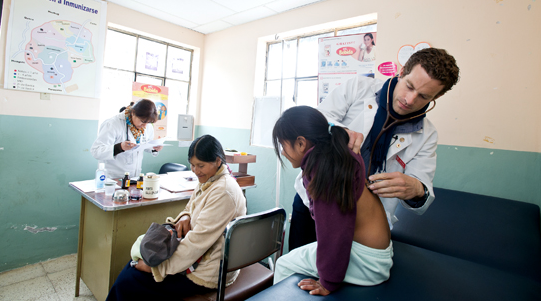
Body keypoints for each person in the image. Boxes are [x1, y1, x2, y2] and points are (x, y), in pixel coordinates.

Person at [290, 47, 460, 250]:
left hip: (365, 221)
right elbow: (318, 118)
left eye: (423, 96)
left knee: (340, 277)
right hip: (316, 198)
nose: (410, 100)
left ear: (436, 97)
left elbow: (422, 192)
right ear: (402, 71)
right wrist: (338, 129)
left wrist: (415, 189)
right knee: (296, 275)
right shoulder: (358, 88)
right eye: (409, 86)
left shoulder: (427, 135)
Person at [106, 135, 247, 300]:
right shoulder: (210, 179)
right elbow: (190, 206)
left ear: (217, 161)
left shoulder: (223, 191)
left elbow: (196, 243)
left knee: (130, 280)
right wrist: (185, 216)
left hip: (208, 271)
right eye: (192, 165)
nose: (195, 171)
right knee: (132, 270)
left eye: (200, 165)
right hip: (198, 257)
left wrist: (158, 268)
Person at [272, 106, 393, 296]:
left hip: (368, 262)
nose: (283, 151)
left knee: (284, 264)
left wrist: (328, 282)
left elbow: (336, 230)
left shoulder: (323, 170)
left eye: (283, 144)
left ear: (301, 143)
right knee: (302, 255)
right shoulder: (339, 154)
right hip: (376, 252)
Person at [91, 99, 163, 179]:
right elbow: (96, 151)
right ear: (133, 113)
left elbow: (144, 144)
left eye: (148, 122)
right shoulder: (112, 124)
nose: (145, 126)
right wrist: (120, 147)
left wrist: (154, 148)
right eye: (143, 121)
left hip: (134, 177)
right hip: (113, 178)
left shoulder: (146, 126)